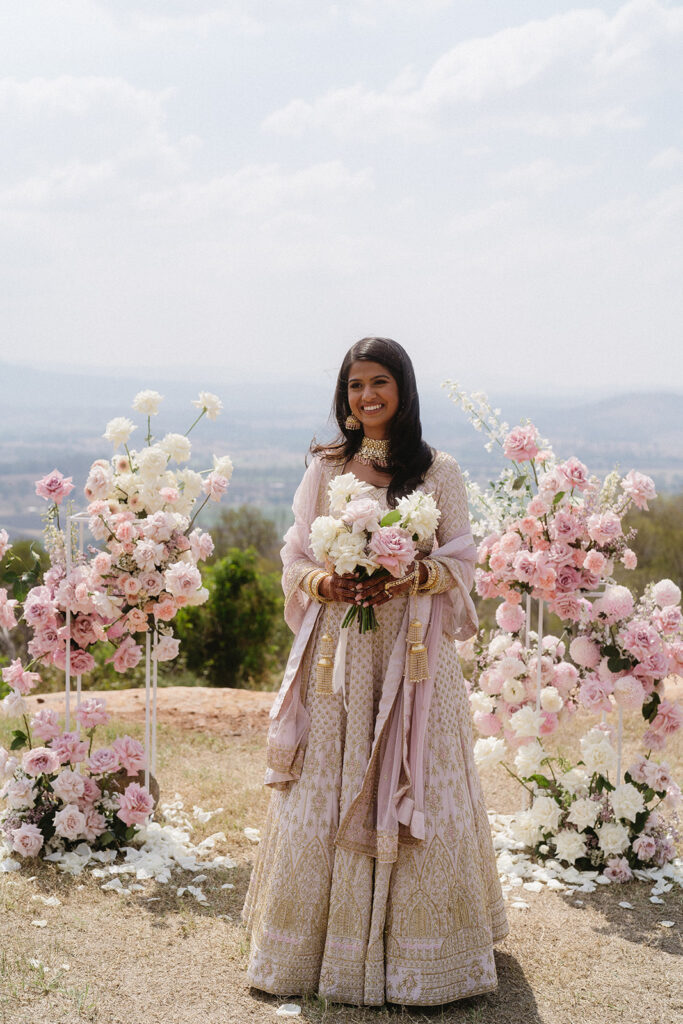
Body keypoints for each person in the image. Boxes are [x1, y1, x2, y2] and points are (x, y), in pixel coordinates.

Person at [242, 337, 508, 1006]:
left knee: (415, 775)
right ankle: (311, 953)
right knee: (328, 778)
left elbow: (461, 558)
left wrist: (411, 574)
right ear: (345, 395)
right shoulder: (326, 465)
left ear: (402, 390)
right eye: (355, 385)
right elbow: (295, 555)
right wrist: (326, 583)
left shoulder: (436, 469)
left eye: (378, 383)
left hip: (411, 653)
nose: (366, 396)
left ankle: (421, 956)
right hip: (339, 655)